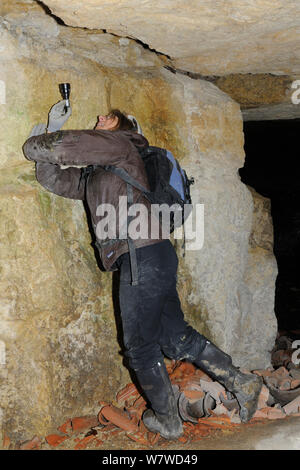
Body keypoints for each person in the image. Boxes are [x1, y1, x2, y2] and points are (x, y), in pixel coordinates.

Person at [23, 101, 263, 440]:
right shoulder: (99, 172)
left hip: (142, 257)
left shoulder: (122, 145)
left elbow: (55, 147)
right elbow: (51, 176)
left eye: (107, 117)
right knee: (173, 336)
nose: (99, 117)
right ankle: (244, 382)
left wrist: (43, 138)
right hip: (151, 257)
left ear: (126, 127)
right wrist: (49, 129)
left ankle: (168, 420)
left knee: (139, 347)